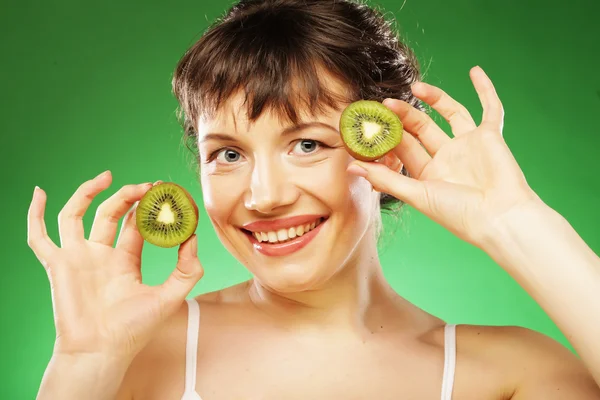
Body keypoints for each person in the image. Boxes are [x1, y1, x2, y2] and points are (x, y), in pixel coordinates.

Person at [28, 0, 600, 399]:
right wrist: (84, 366)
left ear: (385, 147)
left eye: (307, 144)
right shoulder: (135, 353)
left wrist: (516, 224)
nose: (264, 196)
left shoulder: (506, 376)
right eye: (228, 154)